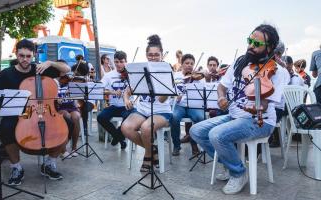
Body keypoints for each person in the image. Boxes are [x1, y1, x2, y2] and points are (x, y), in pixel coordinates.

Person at [190, 24, 285, 194]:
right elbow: (221, 86)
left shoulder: (278, 72)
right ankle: (229, 163)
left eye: (257, 44)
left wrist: (258, 98)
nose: (250, 46)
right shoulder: (239, 62)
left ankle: (238, 173)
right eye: (250, 41)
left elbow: (263, 106)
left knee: (216, 134)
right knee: (196, 131)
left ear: (269, 47)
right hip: (233, 116)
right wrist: (221, 97)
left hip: (259, 121)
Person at [0, 39, 70, 186]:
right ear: (16, 54)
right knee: (6, 127)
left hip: (43, 110)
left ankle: (49, 163)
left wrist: (50, 63)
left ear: (33, 55)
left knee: (68, 125)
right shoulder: (6, 74)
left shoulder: (40, 68)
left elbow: (66, 69)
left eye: (28, 56)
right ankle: (17, 167)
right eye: (21, 56)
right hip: (17, 113)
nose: (25, 59)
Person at [121, 34, 172, 172]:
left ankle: (148, 156)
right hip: (142, 110)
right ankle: (152, 149)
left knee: (146, 128)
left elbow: (162, 100)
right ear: (146, 55)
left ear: (162, 55)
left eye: (156, 55)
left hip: (161, 111)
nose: (153, 57)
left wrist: (163, 87)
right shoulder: (140, 70)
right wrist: (126, 100)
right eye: (150, 55)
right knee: (125, 127)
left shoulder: (166, 70)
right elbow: (128, 91)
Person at [97, 51, 134, 149]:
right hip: (114, 106)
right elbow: (99, 89)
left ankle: (117, 137)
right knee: (100, 117)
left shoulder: (131, 74)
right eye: (116, 62)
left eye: (121, 62)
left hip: (127, 106)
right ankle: (119, 137)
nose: (119, 64)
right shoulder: (109, 75)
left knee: (129, 117)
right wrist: (112, 92)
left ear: (126, 61)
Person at [171, 54, 204, 156]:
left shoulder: (198, 78)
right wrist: (175, 96)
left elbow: (202, 92)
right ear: (182, 64)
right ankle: (176, 145)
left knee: (200, 117)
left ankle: (194, 143)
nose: (189, 65)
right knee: (174, 117)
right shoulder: (175, 76)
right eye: (187, 63)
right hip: (179, 104)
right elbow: (170, 91)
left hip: (193, 105)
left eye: (191, 64)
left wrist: (196, 79)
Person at [55, 60, 80, 158]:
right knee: (66, 116)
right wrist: (56, 100)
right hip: (59, 107)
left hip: (71, 106)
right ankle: (63, 148)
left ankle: (74, 147)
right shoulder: (53, 80)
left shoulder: (70, 80)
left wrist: (74, 93)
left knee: (76, 116)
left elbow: (77, 97)